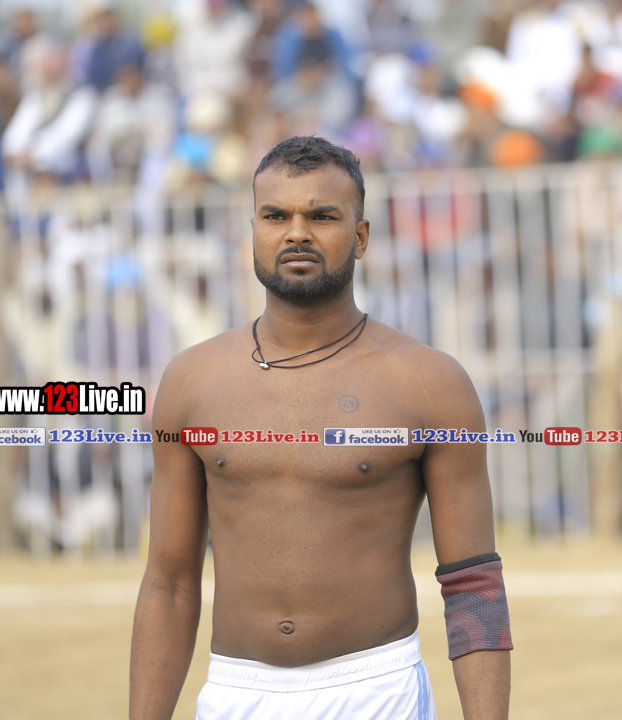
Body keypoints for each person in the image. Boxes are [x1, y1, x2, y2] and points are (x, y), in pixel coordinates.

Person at [129, 135, 512, 720]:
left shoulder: (428, 383)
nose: (296, 233)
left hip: (377, 690)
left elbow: (474, 585)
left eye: (322, 216)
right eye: (275, 216)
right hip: (235, 692)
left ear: (360, 237)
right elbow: (169, 583)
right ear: (252, 231)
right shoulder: (191, 381)